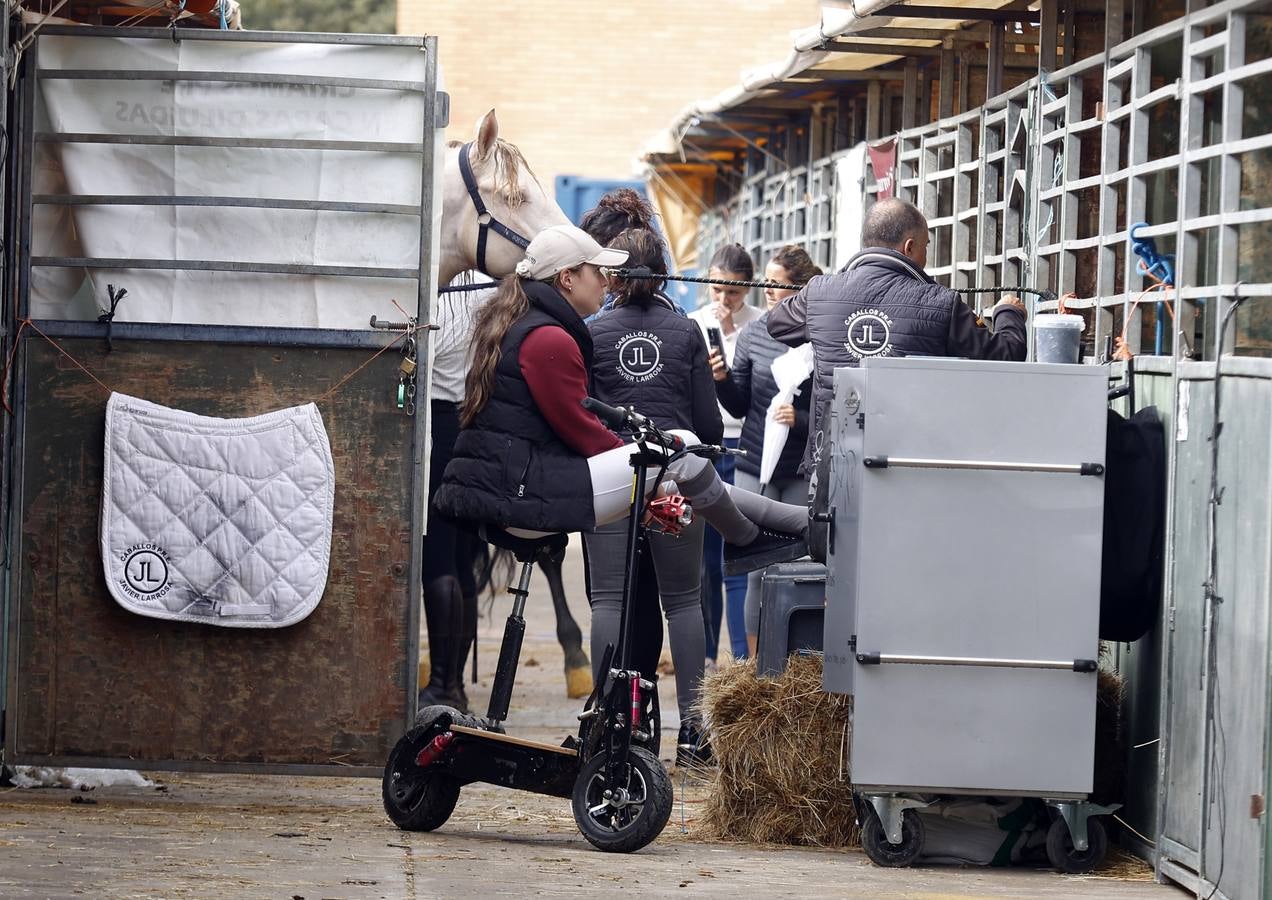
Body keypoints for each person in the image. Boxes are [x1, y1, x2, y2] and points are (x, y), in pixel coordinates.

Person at [433, 225, 809, 666]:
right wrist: (647, 478)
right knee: (683, 449)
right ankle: (757, 533)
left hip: (527, 483)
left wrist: (649, 483)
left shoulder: (537, 324)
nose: (606, 281)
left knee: (662, 485)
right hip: (531, 491)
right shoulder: (551, 339)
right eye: (596, 271)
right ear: (567, 278)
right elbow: (584, 432)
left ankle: (777, 527)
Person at [587, 227, 721, 766]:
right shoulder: (687, 331)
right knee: (685, 600)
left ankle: (606, 720)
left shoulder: (591, 331)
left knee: (608, 600)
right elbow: (708, 421)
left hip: (614, 473)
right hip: (674, 471)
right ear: (664, 270)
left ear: (613, 274)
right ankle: (693, 731)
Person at [768, 198, 1028, 465]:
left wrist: (827, 293)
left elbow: (776, 323)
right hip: (907, 463)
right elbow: (1006, 357)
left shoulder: (820, 292)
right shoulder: (941, 303)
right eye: (926, 246)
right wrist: (1009, 312)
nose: (925, 256)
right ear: (910, 247)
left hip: (831, 461)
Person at [710, 246, 821, 658]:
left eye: (777, 285)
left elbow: (829, 406)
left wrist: (803, 417)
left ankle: (792, 660)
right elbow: (740, 405)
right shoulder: (755, 334)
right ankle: (754, 665)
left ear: (800, 289)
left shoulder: (817, 338)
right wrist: (720, 379)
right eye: (768, 284)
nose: (768, 291)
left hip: (795, 468)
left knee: (795, 566)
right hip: (754, 464)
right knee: (753, 570)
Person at [417, 278, 489, 712]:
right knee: (462, 560)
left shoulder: (445, 297)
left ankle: (443, 683)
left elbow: (430, 357)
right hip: (472, 424)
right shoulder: (487, 294)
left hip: (441, 421)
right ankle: (454, 681)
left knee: (440, 559)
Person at [690, 244, 761, 667]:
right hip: (706, 446)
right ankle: (703, 658)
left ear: (747, 290)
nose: (723, 302)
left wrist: (734, 330)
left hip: (744, 445)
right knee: (704, 565)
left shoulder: (759, 325)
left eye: (733, 293)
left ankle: (739, 660)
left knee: (736, 559)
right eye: (717, 291)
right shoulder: (694, 324)